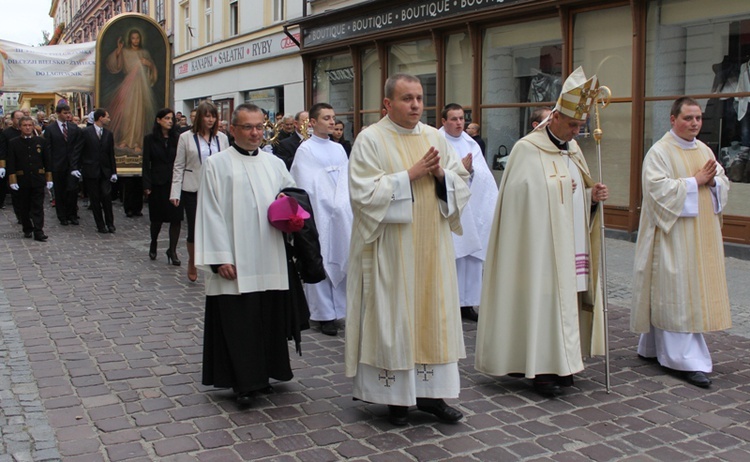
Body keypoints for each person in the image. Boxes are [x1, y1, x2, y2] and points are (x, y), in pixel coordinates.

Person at [475, 67, 609, 398]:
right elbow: (522, 203)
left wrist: (592, 198)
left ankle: (565, 363)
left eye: (581, 127)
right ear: (555, 119)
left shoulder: (573, 149)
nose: (578, 133)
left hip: (570, 242)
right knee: (543, 302)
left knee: (567, 302)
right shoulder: (526, 150)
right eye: (574, 125)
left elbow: (576, 190)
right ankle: (541, 369)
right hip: (539, 246)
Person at [345, 73, 471, 426]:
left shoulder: (434, 137)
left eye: (419, 98)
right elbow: (362, 194)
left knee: (434, 317)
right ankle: (395, 399)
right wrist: (410, 174)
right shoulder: (370, 140)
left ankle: (432, 397)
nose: (415, 104)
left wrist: (444, 177)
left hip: (432, 247)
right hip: (392, 249)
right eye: (406, 98)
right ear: (387, 103)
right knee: (394, 317)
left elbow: (457, 182)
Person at [195, 103, 301, 405]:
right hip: (236, 260)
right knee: (238, 322)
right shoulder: (216, 164)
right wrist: (220, 258)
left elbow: (292, 193)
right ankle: (243, 383)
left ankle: (265, 375)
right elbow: (209, 213)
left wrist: (287, 201)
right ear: (233, 129)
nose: (255, 133)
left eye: (259, 127)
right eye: (248, 127)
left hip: (269, 254)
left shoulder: (273, 163)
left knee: (267, 317)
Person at [631, 97, 731, 389]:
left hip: (700, 235)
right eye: (688, 118)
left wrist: (713, 183)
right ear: (673, 119)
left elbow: (721, 181)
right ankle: (685, 360)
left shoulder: (703, 149)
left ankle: (651, 348)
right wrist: (694, 181)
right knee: (676, 292)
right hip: (672, 235)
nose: (695, 123)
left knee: (686, 291)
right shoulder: (660, 152)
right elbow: (655, 191)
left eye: (698, 118)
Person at [290, 103, 352, 336]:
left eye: (333, 118)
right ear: (313, 122)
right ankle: (324, 314)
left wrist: (343, 203)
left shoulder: (338, 149)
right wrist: (327, 203)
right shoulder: (306, 150)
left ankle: (342, 309)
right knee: (321, 259)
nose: (332, 122)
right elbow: (307, 183)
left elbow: (347, 178)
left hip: (341, 213)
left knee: (341, 255)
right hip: (320, 213)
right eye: (326, 118)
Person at [439, 103, 498, 322]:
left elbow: (483, 174)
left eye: (461, 119)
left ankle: (468, 303)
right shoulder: (436, 141)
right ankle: (449, 303)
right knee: (452, 256)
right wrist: (459, 170)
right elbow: (436, 173)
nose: (458, 123)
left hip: (471, 207)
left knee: (472, 258)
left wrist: (470, 171)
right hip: (450, 208)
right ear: (444, 121)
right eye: (453, 119)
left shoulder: (470, 143)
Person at [170, 101, 229, 282]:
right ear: (200, 118)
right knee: (195, 229)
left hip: (217, 189)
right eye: (207, 116)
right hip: (193, 188)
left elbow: (227, 164)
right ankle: (193, 261)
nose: (210, 120)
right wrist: (175, 191)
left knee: (219, 227)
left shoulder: (222, 138)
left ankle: (220, 260)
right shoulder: (186, 137)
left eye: (213, 116)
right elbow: (179, 165)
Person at [105, 29, 158, 152]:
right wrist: (118, 50)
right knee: (127, 113)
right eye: (133, 38)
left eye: (137, 38)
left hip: (141, 87)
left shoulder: (144, 52)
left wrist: (148, 64)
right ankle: (125, 139)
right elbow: (113, 64)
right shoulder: (125, 52)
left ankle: (137, 142)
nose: (135, 40)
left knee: (139, 114)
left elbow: (153, 69)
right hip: (128, 85)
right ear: (130, 39)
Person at [143, 108, 183, 264]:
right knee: (157, 219)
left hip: (175, 182)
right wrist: (146, 185)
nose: (170, 121)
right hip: (157, 182)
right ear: (158, 120)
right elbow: (146, 163)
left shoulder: (178, 138)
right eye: (166, 118)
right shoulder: (150, 139)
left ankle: (172, 251)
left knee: (176, 218)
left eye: (171, 118)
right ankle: (154, 242)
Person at [7, 117, 52, 241]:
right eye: (24, 125)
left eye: (29, 125)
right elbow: (11, 162)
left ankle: (39, 230)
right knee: (24, 206)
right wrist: (12, 180)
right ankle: (27, 228)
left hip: (37, 178)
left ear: (33, 126)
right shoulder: (13, 143)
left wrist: (49, 178)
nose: (27, 127)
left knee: (38, 206)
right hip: (22, 179)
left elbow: (47, 160)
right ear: (20, 127)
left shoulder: (40, 141)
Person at [75, 109, 118, 233]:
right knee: (95, 199)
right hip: (91, 170)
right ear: (100, 118)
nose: (109, 119)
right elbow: (78, 151)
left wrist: (113, 171)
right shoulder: (86, 132)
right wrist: (76, 167)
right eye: (107, 117)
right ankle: (100, 224)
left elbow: (111, 154)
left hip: (105, 171)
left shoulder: (108, 134)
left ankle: (110, 223)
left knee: (106, 197)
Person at [45, 104, 83, 226]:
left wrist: (76, 164)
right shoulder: (50, 129)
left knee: (72, 190)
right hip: (57, 165)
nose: (68, 115)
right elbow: (48, 149)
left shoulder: (74, 128)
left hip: (72, 165)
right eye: (65, 113)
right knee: (60, 192)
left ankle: (72, 214)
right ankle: (62, 216)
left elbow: (78, 147)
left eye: (69, 113)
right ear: (58, 113)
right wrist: (49, 167)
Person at [0, 110, 24, 210]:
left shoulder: (27, 130)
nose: (20, 120)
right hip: (11, 163)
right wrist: (2, 166)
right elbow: (2, 150)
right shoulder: (6, 133)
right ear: (13, 119)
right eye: (18, 118)